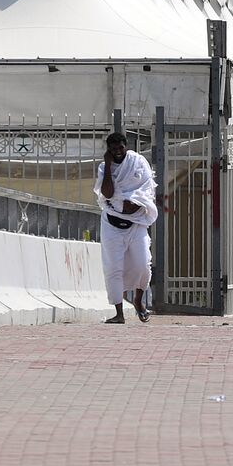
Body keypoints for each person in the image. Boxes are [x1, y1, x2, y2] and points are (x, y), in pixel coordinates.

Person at [94, 132, 158, 324]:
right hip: (112, 224)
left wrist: (136, 202)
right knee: (113, 268)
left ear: (126, 146)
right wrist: (107, 166)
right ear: (108, 150)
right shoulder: (104, 167)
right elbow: (107, 193)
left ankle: (138, 300)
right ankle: (119, 313)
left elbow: (148, 188)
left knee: (143, 265)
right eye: (113, 149)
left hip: (136, 223)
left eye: (120, 148)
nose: (117, 152)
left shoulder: (138, 162)